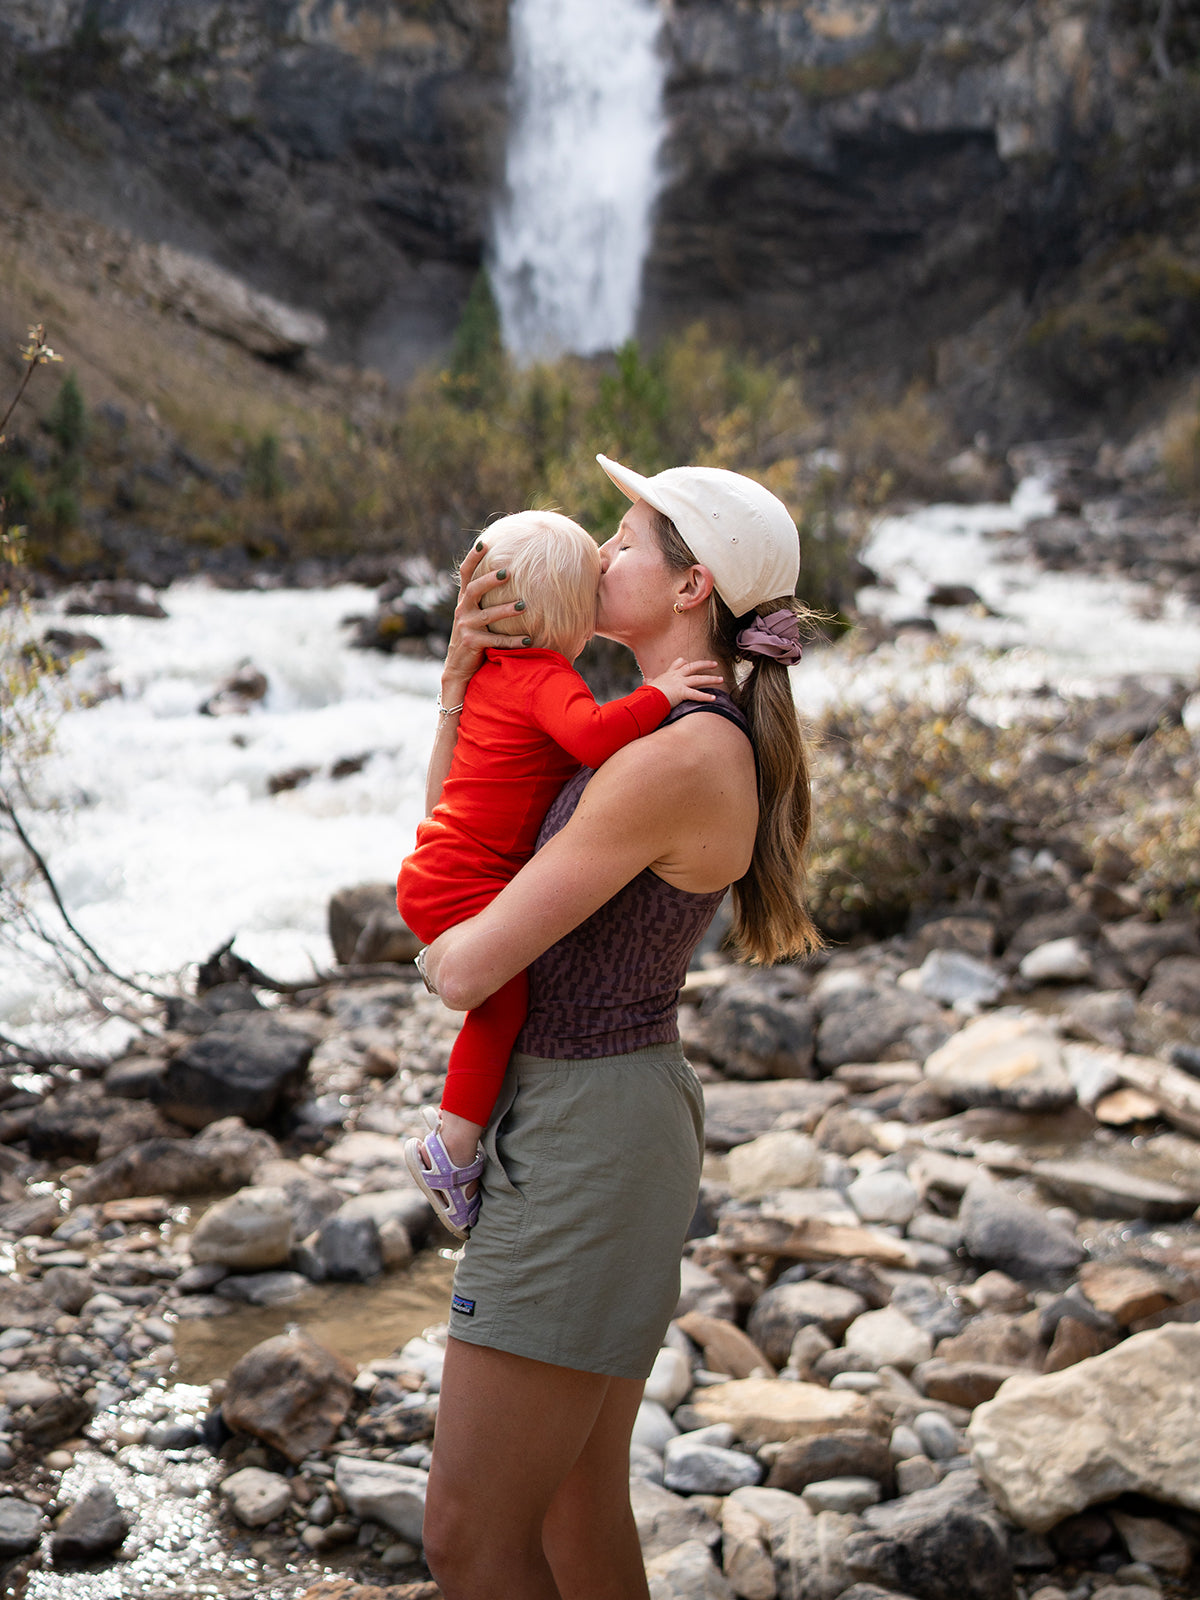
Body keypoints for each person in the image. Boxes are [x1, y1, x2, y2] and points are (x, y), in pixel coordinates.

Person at [414, 454, 821, 1600]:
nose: (598, 553)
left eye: (626, 537)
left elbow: (464, 961)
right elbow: (459, 845)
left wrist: (451, 938)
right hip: (602, 1109)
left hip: (591, 1126)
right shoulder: (639, 730)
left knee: (467, 1533)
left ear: (692, 589)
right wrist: (463, 686)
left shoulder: (674, 752)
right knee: (570, 1514)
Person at [396, 508, 720, 1236]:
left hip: (438, 863)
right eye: (600, 554)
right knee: (499, 1004)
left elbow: (461, 798)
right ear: (571, 614)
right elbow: (593, 734)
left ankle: (455, 1139)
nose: (607, 558)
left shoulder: (499, 678)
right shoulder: (546, 681)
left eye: (624, 543)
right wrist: (660, 695)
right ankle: (449, 1144)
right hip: (462, 878)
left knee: (494, 1001)